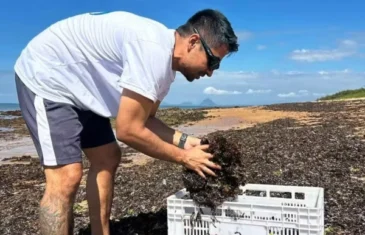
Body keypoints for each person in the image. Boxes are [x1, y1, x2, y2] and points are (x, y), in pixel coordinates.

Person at [14, 8, 239, 235]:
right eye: (213, 61)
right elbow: (128, 130)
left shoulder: (165, 67)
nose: (211, 72)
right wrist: (185, 158)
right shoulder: (152, 51)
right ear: (193, 42)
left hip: (83, 87)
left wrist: (185, 142)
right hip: (48, 76)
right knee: (66, 177)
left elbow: (146, 120)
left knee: (108, 157)